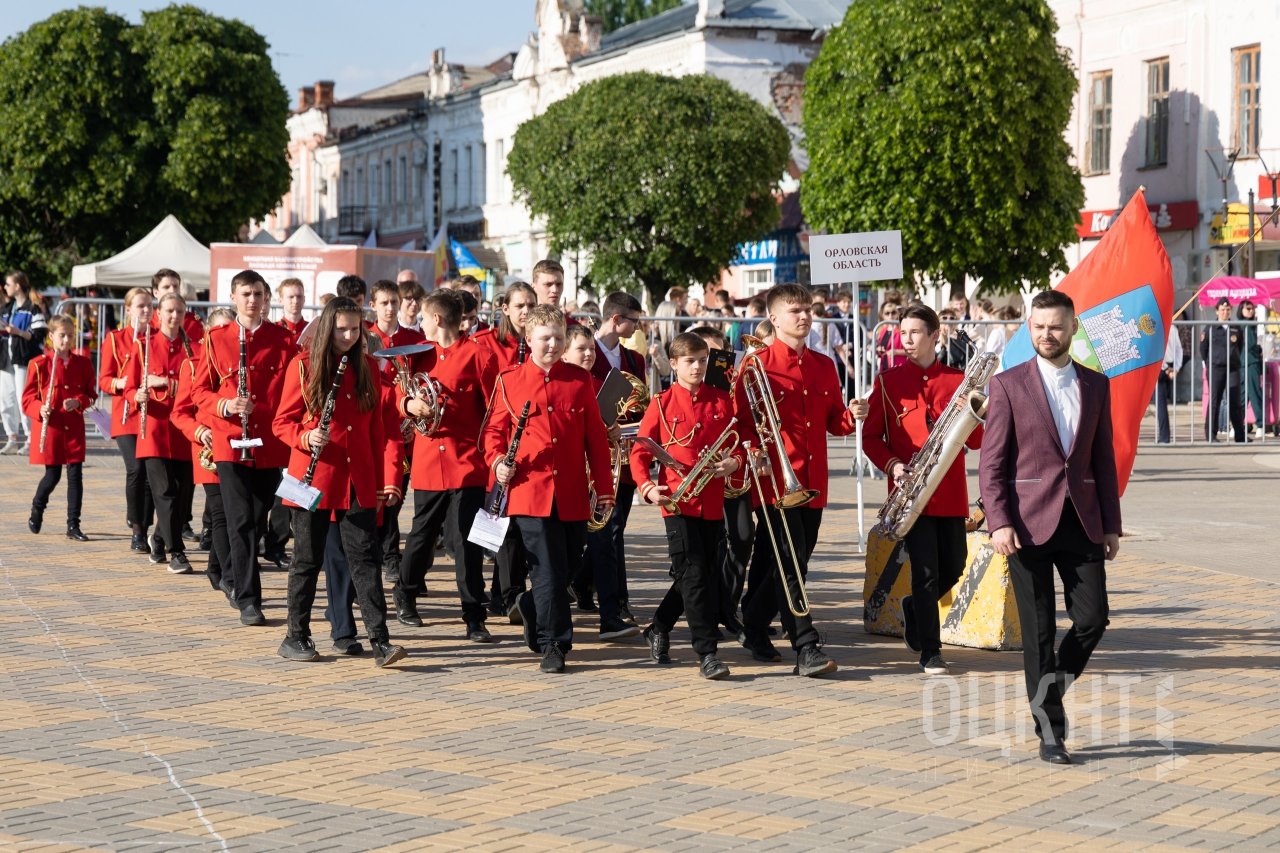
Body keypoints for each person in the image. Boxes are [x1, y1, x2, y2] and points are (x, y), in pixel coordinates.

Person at [979, 289, 1121, 765]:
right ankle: (1051, 733)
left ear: (1073, 328)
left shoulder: (1097, 385)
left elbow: (1104, 460)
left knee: (1093, 619)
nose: (1046, 334)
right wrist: (998, 521)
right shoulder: (1008, 385)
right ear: (1029, 328)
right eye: (1038, 326)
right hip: (1024, 525)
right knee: (1038, 632)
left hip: (1082, 522)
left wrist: (1112, 525)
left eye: (1056, 326)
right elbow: (991, 464)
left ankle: (1048, 692)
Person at [735, 284, 863, 677]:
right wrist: (752, 454)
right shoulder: (755, 365)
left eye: (807, 309)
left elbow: (833, 422)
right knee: (792, 565)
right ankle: (805, 645)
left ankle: (753, 622)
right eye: (795, 311)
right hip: (775, 481)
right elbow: (742, 425)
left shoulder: (824, 365)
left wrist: (852, 415)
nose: (804, 316)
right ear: (774, 318)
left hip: (813, 480)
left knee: (789, 561)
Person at [273, 297, 407, 667]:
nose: (349, 336)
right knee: (306, 560)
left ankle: (381, 641)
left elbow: (377, 430)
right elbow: (281, 422)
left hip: (357, 481)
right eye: (342, 329)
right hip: (313, 478)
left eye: (355, 329)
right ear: (328, 327)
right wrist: (305, 437)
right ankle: (295, 635)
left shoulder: (368, 367)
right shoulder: (302, 366)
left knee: (365, 561)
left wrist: (380, 482)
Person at [481, 305, 614, 673]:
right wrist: (497, 462)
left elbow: (595, 440)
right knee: (548, 571)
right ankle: (554, 643)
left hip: (571, 491)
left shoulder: (579, 379)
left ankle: (531, 606)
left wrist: (604, 488)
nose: (553, 345)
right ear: (529, 340)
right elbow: (492, 433)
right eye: (545, 339)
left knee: (569, 565)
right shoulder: (509, 380)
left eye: (558, 337)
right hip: (529, 490)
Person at [863, 305, 982, 675]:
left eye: (915, 332)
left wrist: (971, 407)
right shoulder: (886, 381)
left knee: (955, 565)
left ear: (935, 335)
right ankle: (931, 651)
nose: (906, 339)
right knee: (926, 572)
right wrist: (893, 465)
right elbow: (871, 439)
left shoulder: (957, 380)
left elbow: (976, 441)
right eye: (903, 332)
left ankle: (915, 608)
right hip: (910, 493)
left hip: (949, 492)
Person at [632, 332, 742, 679]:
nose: (697, 367)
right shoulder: (661, 404)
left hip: (711, 501)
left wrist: (733, 464)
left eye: (702, 361)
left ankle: (659, 626)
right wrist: (648, 488)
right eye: (690, 361)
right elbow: (640, 451)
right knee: (695, 576)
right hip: (676, 502)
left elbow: (739, 445)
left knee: (700, 575)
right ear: (674, 364)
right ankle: (707, 652)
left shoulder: (721, 401)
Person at [193, 269, 298, 627]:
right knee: (239, 520)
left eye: (258, 294)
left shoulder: (283, 340)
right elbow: (199, 391)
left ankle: (231, 573)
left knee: (256, 517)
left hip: (269, 444)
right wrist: (224, 405)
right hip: (228, 443)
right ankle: (248, 599)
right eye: (246, 294)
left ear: (266, 298)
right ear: (234, 298)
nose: (253, 300)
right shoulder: (214, 338)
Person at [394, 289, 499, 642]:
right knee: (421, 534)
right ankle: (405, 593)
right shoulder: (419, 354)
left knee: (467, 540)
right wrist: (409, 404)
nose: (420, 324)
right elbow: (398, 392)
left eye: (424, 318)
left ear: (437, 319)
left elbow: (493, 409)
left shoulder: (477, 354)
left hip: (466, 461)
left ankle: (473, 615)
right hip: (427, 461)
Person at [585, 291, 647, 632]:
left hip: (622, 458)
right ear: (616, 319)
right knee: (603, 532)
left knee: (615, 529)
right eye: (633, 321)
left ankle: (601, 593)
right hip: (592, 460)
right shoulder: (584, 353)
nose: (637, 327)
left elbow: (640, 406)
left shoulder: (635, 359)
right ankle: (610, 600)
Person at [125, 292, 197, 574]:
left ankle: (158, 539)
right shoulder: (143, 345)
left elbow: (196, 387)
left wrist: (166, 382)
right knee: (165, 492)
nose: (174, 316)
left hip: (183, 431)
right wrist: (137, 395)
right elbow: (129, 387)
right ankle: (175, 550)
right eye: (169, 311)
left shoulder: (192, 348)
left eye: (179, 311)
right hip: (153, 431)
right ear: (158, 312)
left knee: (183, 494)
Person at [171, 308, 233, 602]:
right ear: (207, 334)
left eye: (228, 328)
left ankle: (216, 567)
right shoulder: (192, 366)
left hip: (237, 446)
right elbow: (179, 413)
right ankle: (229, 576)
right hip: (208, 448)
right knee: (220, 512)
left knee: (241, 514)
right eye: (216, 329)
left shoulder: (239, 365)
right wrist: (198, 432)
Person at [22, 315, 94, 540]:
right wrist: (39, 409)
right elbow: (28, 399)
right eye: (62, 335)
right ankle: (37, 507)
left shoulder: (83, 363)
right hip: (51, 427)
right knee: (52, 476)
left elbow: (91, 394)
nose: (66, 340)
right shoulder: (39, 364)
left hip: (73, 426)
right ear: (51, 336)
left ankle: (73, 524)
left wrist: (78, 401)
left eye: (70, 336)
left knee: (76, 475)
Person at [99, 287, 155, 552]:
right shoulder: (115, 339)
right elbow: (103, 380)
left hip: (150, 413)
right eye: (140, 306)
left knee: (149, 474)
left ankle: (143, 523)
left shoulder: (156, 338)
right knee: (135, 469)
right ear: (128, 309)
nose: (145, 310)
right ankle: (137, 530)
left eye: (149, 306)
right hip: (125, 415)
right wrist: (119, 383)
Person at [1, 271, 47, 454]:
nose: (5, 287)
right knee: (5, 401)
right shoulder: (6, 308)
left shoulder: (33, 309)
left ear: (17, 286)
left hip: (24, 360)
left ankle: (30, 438)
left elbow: (39, 335)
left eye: (8, 284)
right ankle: (12, 437)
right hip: (5, 359)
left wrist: (18, 332)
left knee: (23, 400)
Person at [1200, 296, 1245, 443]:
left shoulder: (1236, 328)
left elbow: (1240, 346)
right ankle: (1211, 434)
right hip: (1216, 367)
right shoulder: (1210, 328)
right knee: (1215, 400)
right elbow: (1203, 349)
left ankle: (1240, 435)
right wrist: (1210, 362)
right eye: (1222, 310)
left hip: (1232, 367)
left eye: (1227, 309)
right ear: (1217, 311)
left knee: (1235, 401)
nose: (1225, 312)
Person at [148, 270, 204, 340]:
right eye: (166, 287)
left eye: (175, 286)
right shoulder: (147, 321)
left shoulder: (192, 322)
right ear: (155, 292)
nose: (172, 290)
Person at [1239, 300, 1265, 437]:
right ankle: (1258, 424)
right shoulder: (1246, 325)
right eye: (1248, 308)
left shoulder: (1250, 325)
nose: (1251, 310)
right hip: (1248, 363)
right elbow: (1251, 345)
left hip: (1248, 363)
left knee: (1248, 394)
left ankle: (1257, 424)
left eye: (1252, 308)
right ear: (1241, 310)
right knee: (1249, 395)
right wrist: (1259, 348)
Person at [1155, 325, 1184, 444]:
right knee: (1161, 403)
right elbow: (1178, 350)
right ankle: (1164, 436)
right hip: (1167, 367)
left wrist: (1171, 369)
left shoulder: (1160, 326)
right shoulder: (1172, 327)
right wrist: (1174, 368)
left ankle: (1164, 437)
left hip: (1163, 367)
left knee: (1160, 403)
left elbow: (1155, 351)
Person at [874, 302, 905, 372]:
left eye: (893, 312)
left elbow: (911, 350)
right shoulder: (882, 330)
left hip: (898, 367)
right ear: (883, 316)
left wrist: (896, 352)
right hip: (884, 366)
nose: (890, 315)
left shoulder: (902, 330)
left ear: (897, 314)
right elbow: (880, 347)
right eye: (887, 313)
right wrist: (879, 350)